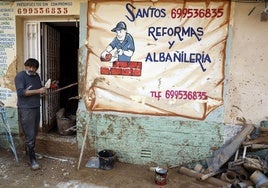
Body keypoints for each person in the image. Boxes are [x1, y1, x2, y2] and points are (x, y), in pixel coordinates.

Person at [14, 58, 47, 170]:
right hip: (26, 109)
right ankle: (32, 160)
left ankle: (30, 153)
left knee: (34, 132)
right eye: (30, 67)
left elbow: (36, 90)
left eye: (34, 67)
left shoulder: (36, 76)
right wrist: (38, 91)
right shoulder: (20, 76)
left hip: (36, 107)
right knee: (30, 134)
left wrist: (42, 92)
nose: (32, 69)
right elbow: (21, 92)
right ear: (26, 66)